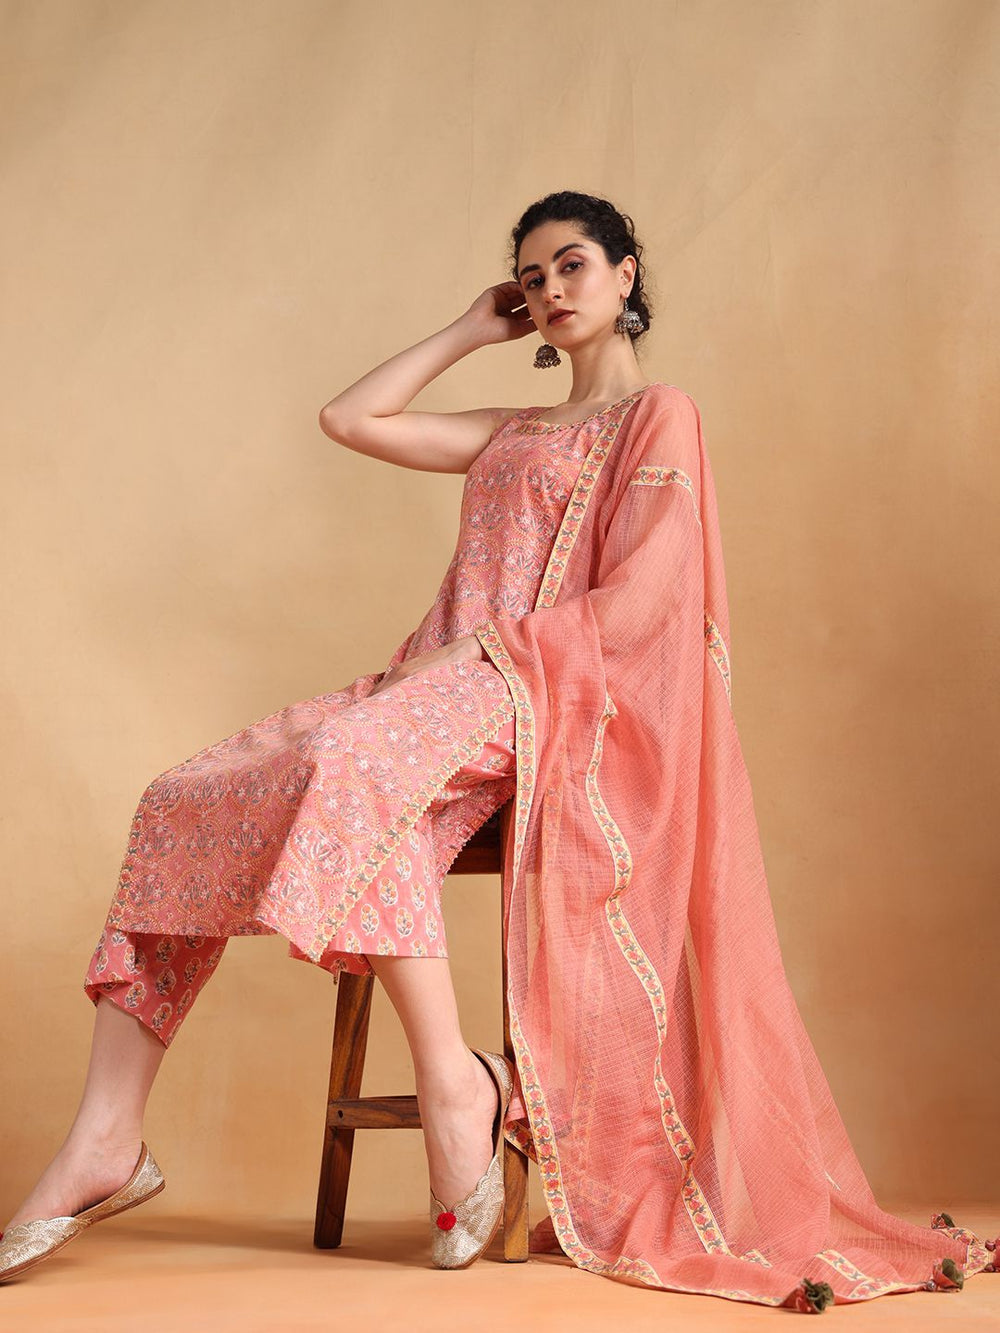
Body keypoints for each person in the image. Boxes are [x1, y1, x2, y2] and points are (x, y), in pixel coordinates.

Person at [2, 191, 995, 1310]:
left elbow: (646, 601)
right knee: (181, 797)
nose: (550, 289)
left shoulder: (658, 415)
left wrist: (485, 652)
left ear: (626, 274)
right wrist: (471, 328)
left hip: (542, 696)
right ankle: (108, 1136)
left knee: (354, 766)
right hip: (429, 691)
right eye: (531, 277)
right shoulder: (510, 429)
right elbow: (349, 418)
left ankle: (455, 1089)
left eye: (571, 265)